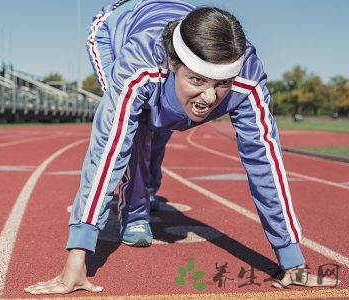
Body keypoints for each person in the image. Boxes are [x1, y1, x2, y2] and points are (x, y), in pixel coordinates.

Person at [25, 0, 339, 294]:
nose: (209, 98)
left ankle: (149, 184)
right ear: (175, 65)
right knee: (134, 129)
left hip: (171, 41)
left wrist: (292, 260)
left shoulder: (247, 79)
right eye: (198, 80)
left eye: (221, 84)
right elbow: (108, 149)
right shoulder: (139, 64)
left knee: (165, 122)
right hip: (114, 28)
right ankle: (134, 211)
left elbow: (266, 164)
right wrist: (77, 256)